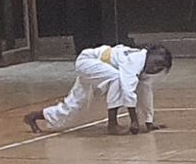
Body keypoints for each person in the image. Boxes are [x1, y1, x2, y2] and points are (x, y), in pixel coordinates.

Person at [24, 44, 172, 136]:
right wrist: (134, 121)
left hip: (98, 68)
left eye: (159, 68)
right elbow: (128, 90)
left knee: (73, 107)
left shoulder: (143, 71)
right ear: (149, 55)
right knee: (117, 78)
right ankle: (112, 125)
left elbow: (145, 92)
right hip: (88, 61)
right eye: (155, 63)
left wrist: (149, 121)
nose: (155, 68)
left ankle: (33, 116)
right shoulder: (135, 60)